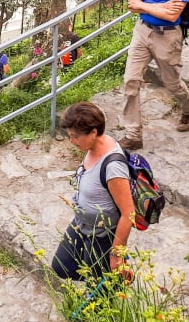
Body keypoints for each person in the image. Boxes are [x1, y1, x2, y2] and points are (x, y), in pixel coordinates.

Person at [120, 0, 189, 150]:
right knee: (131, 81)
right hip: (142, 31)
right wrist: (160, 6)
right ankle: (133, 134)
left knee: (171, 82)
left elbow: (173, 14)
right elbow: (132, 6)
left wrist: (145, 6)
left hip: (168, 36)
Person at [51, 102, 135, 284]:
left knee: (100, 292)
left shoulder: (113, 167)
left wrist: (116, 255)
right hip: (82, 224)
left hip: (102, 235)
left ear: (94, 132)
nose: (71, 141)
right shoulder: (92, 147)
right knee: (61, 266)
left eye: (75, 137)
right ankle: (102, 278)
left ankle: (109, 282)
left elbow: (129, 213)